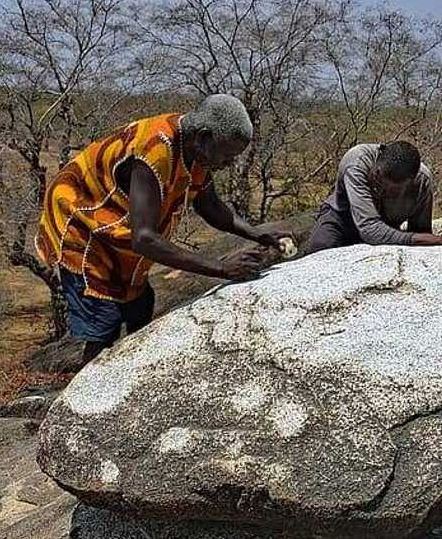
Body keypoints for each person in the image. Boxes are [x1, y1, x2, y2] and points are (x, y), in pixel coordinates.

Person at [36, 94, 290, 365]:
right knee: (103, 318)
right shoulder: (154, 151)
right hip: (81, 221)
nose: (228, 164)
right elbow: (144, 239)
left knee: (139, 306)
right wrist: (221, 269)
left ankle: (132, 373)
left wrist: (256, 233)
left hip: (117, 226)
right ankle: (87, 392)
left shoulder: (195, 150)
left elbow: (210, 206)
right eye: (226, 155)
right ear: (204, 137)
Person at [305, 140, 442, 253]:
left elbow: (420, 232)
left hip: (386, 224)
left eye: (393, 192)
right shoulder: (357, 162)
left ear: (410, 182)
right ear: (378, 168)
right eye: (378, 182)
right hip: (341, 217)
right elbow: (370, 230)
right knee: (319, 249)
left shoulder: (422, 181)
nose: (382, 191)